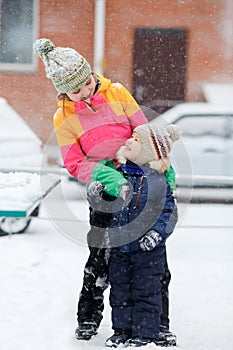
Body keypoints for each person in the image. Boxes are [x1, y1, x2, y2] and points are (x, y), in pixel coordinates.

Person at [33, 38, 177, 345]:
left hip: (138, 181)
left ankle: (159, 322)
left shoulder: (118, 93)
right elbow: (75, 163)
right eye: (76, 90)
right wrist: (109, 178)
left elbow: (143, 132)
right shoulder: (63, 117)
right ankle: (88, 317)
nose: (85, 92)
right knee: (101, 257)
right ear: (62, 92)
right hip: (104, 190)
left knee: (152, 257)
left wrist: (163, 166)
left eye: (86, 83)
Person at [87, 123, 181, 347]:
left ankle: (144, 333)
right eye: (131, 137)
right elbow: (106, 207)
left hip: (148, 252)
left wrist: (155, 236)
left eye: (136, 140)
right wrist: (96, 197)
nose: (128, 141)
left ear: (149, 152)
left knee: (146, 292)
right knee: (120, 292)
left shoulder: (158, 182)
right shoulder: (118, 177)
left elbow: (169, 214)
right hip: (120, 248)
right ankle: (121, 331)